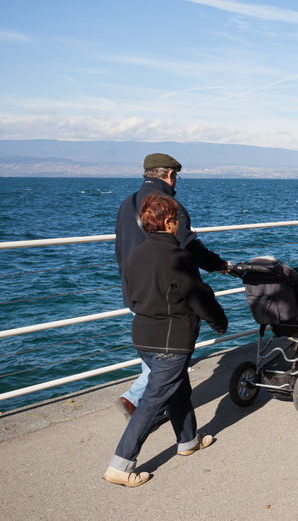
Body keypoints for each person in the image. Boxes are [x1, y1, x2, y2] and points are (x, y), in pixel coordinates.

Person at [103, 193, 228, 487]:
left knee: (178, 388)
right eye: (178, 220)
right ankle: (120, 464)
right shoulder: (179, 258)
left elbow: (132, 296)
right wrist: (219, 323)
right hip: (171, 342)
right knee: (153, 400)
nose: (180, 225)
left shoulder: (135, 255)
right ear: (169, 222)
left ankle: (188, 440)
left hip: (143, 337)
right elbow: (198, 297)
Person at [114, 153, 229, 418]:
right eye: (176, 177)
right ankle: (136, 402)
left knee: (154, 354)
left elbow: (120, 250)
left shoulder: (126, 204)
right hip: (168, 294)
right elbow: (189, 247)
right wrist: (218, 264)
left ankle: (158, 409)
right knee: (170, 356)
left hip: (135, 291)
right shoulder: (168, 206)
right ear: (170, 175)